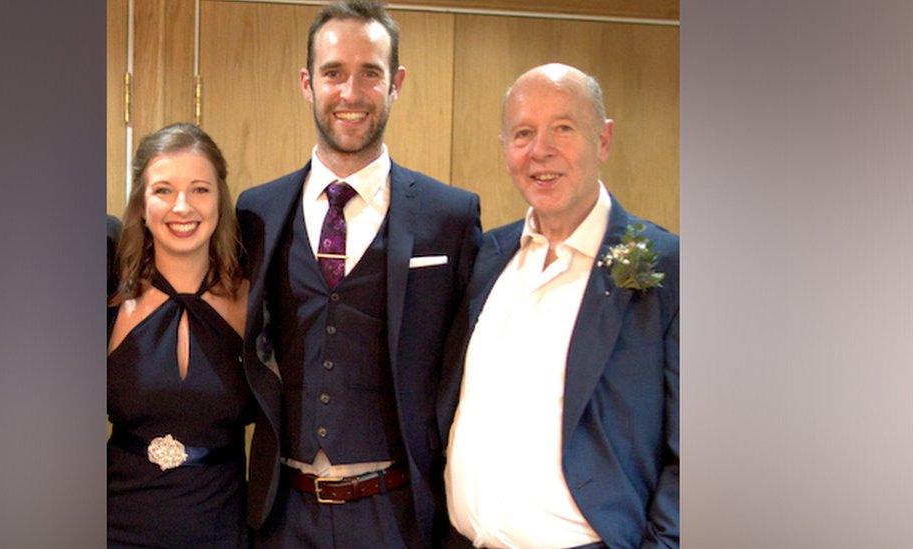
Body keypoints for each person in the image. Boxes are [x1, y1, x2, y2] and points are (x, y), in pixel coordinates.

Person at [236, 1, 482, 546]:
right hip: (282, 516)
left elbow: (467, 368)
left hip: (396, 516)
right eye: (333, 73)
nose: (350, 92)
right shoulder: (258, 212)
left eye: (369, 72)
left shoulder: (451, 216)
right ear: (307, 83)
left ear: (396, 83)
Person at [439, 64, 679, 549]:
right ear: (504, 148)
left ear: (604, 140)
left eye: (563, 129)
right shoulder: (488, 256)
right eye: (523, 133)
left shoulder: (668, 267)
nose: (540, 151)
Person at [107, 123, 254, 547]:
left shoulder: (254, 301)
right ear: (142, 203)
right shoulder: (109, 299)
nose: (182, 207)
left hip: (224, 529)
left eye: (200, 189)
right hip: (116, 527)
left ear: (220, 200)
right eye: (164, 190)